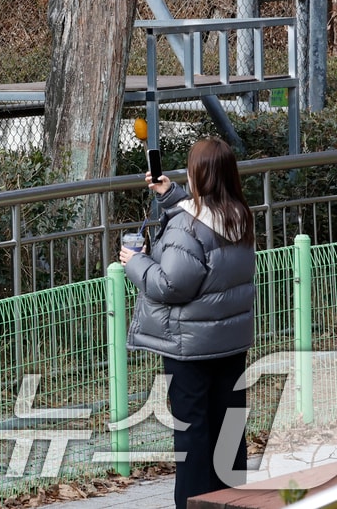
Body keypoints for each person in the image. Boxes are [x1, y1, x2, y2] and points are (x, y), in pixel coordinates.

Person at [120, 138, 257, 509]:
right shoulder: (240, 216)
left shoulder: (185, 227)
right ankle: (232, 502)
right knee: (228, 428)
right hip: (230, 342)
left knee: (193, 433)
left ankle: (194, 504)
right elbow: (204, 227)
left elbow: (171, 284)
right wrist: (172, 195)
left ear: (198, 175)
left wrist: (134, 262)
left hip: (189, 346)